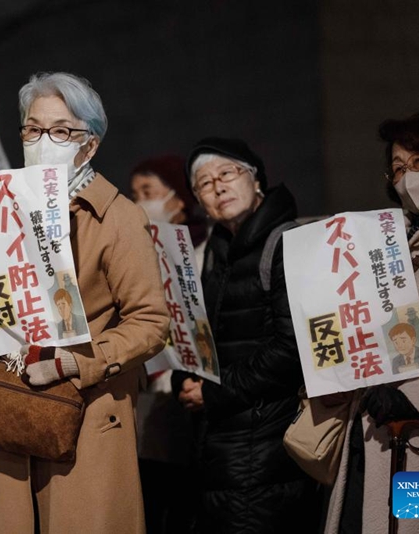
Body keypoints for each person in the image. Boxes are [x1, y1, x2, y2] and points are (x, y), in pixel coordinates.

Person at [0, 71, 170, 534]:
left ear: (90, 145)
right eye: (33, 129)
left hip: (89, 413)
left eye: (61, 131)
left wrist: (77, 364)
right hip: (14, 412)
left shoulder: (118, 217)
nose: (44, 141)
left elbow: (150, 321)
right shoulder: (6, 210)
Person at [172, 137, 320, 533]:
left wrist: (213, 393)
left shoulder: (287, 242)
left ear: (256, 181)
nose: (217, 186)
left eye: (227, 173)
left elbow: (293, 350)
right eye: (204, 183)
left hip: (269, 445)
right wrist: (184, 378)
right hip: (219, 448)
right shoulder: (214, 253)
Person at [326, 112, 419, 534]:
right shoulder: (387, 245)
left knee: (411, 528)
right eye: (398, 167)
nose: (407, 176)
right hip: (371, 435)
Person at [128, 153, 206, 533]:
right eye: (135, 193)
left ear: (179, 196)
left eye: (149, 191)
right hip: (152, 400)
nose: (141, 201)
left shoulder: (208, 249)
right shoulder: (138, 253)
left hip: (196, 395)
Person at [130, 153, 209, 268]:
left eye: (148, 193)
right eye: (135, 197)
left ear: (180, 200)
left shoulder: (208, 249)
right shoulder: (134, 249)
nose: (138, 204)